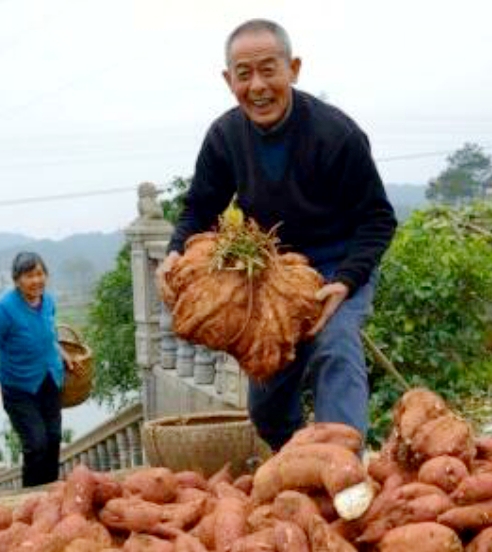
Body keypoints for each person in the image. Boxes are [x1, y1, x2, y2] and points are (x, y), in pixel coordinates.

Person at [157, 19, 397, 450]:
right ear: (229, 79)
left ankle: (343, 469)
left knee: (334, 347)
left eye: (269, 69)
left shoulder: (336, 134)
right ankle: (301, 463)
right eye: (244, 74)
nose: (257, 86)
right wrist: (177, 251)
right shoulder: (225, 136)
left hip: (336, 266)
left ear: (294, 69)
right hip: (270, 276)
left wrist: (345, 281)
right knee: (266, 404)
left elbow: (378, 219)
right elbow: (199, 208)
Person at [0, 251, 66, 487]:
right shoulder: (3, 309)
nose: (36, 280)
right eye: (29, 276)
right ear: (17, 280)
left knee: (54, 438)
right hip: (19, 387)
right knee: (36, 444)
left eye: (40, 274)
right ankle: (31, 496)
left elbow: (49, 335)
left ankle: (50, 493)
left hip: (49, 380)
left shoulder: (48, 301)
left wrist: (63, 354)